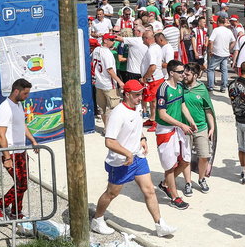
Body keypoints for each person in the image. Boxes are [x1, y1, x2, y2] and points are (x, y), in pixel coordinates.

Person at [90, 80, 177, 237]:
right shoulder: (118, 114)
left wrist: (142, 138)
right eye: (137, 95)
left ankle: (159, 224)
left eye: (141, 94)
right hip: (121, 161)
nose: (140, 98)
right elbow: (109, 141)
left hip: (137, 157)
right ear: (127, 95)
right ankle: (97, 219)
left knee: (150, 190)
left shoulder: (136, 107)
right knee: (112, 193)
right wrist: (127, 153)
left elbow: (136, 128)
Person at [0, 78, 38, 220]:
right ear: (16, 91)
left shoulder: (18, 105)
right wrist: (6, 157)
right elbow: (1, 135)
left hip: (21, 151)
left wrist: (32, 140)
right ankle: (0, 205)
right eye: (25, 93)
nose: (27, 96)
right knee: (21, 184)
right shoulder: (4, 109)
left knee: (22, 184)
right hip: (10, 153)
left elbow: (22, 125)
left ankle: (16, 213)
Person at [155, 59, 197, 208]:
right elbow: (162, 114)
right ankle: (174, 198)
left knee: (185, 160)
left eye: (184, 71)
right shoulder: (163, 88)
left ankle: (166, 184)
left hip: (179, 129)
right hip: (166, 130)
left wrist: (191, 121)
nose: (183, 74)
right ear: (171, 73)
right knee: (170, 166)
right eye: (180, 72)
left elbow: (182, 105)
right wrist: (182, 125)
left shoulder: (180, 87)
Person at [183, 62, 215, 193]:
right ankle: (188, 182)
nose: (184, 76)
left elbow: (208, 109)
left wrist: (212, 127)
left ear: (195, 75)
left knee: (204, 156)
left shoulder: (202, 89)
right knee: (186, 157)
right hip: (185, 128)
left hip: (201, 127)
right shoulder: (180, 87)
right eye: (184, 73)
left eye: (187, 74)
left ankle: (201, 179)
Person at [92, 33, 124, 127]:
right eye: (111, 40)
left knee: (102, 108)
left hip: (98, 83)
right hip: (109, 85)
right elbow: (110, 70)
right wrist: (120, 81)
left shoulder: (96, 50)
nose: (114, 42)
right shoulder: (108, 54)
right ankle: (111, 129)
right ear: (105, 40)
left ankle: (106, 128)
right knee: (113, 108)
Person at [140, 30, 164, 130]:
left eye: (143, 39)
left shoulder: (152, 50)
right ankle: (152, 118)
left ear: (146, 39)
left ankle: (156, 121)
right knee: (152, 100)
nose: (142, 41)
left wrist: (144, 78)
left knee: (154, 102)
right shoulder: (156, 47)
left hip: (154, 79)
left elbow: (153, 66)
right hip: (154, 78)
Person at [206, 17, 236, 92]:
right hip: (225, 53)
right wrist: (229, 49)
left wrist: (210, 50)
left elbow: (211, 41)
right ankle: (223, 87)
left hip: (217, 52)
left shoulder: (216, 30)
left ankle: (210, 86)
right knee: (224, 70)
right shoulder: (228, 31)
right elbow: (233, 41)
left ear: (218, 22)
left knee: (211, 69)